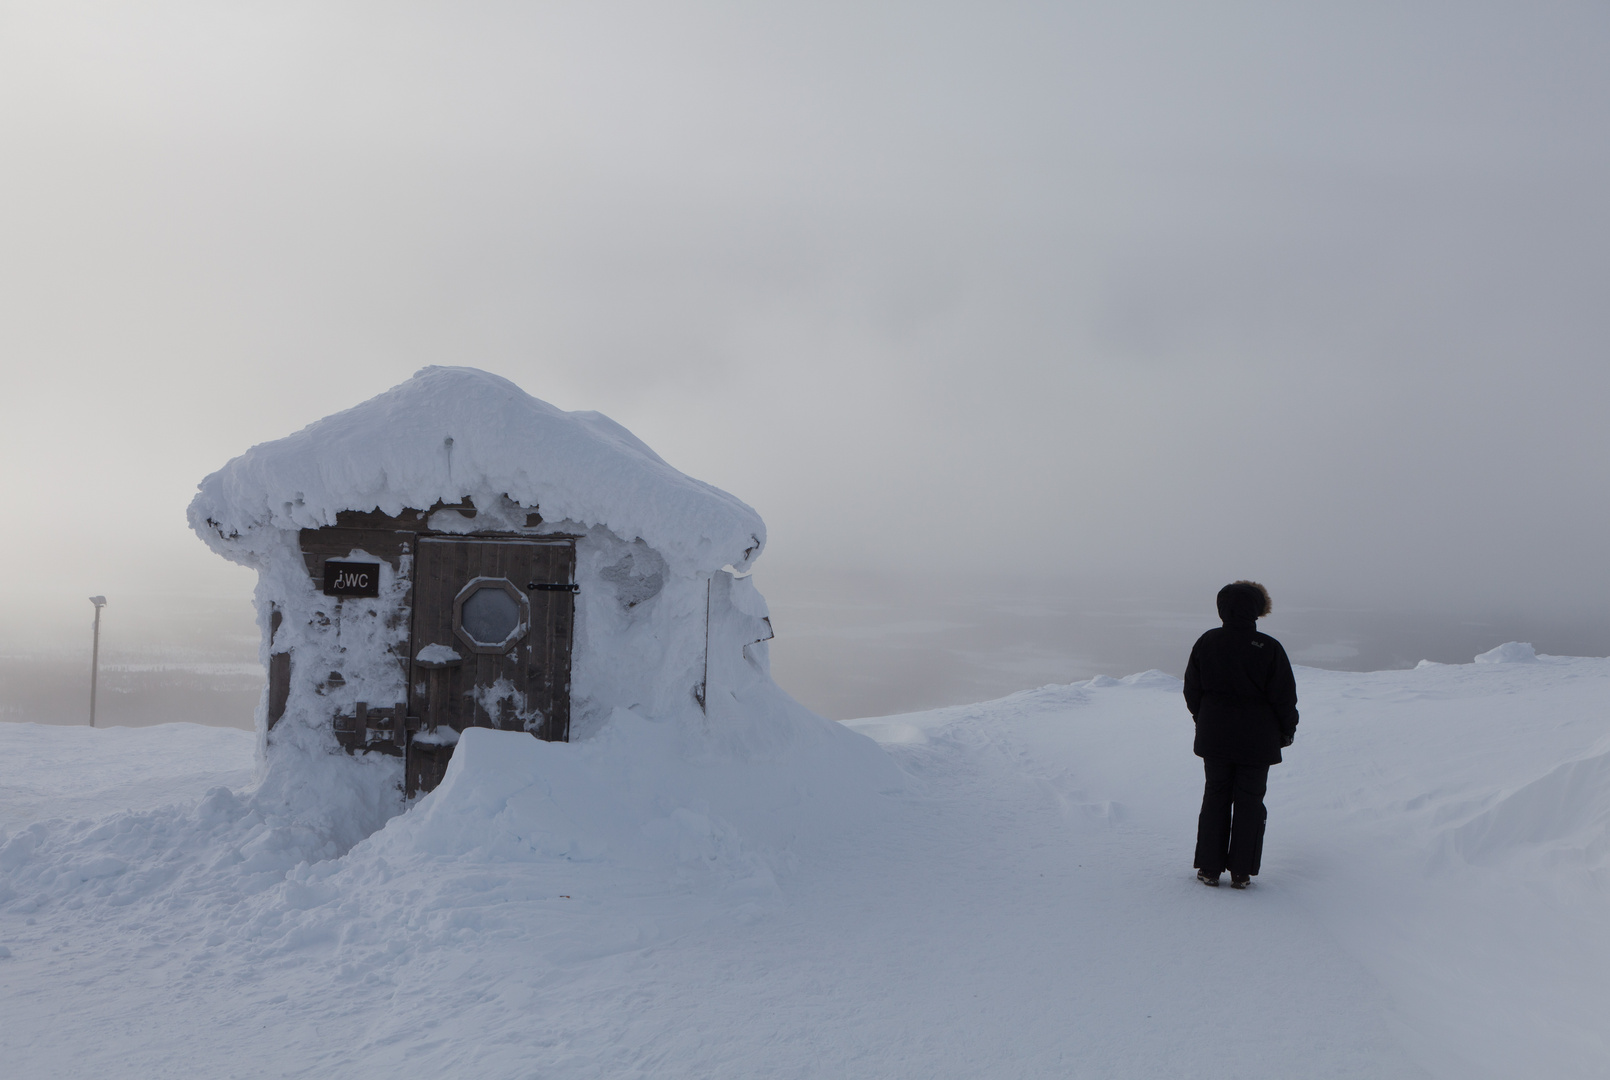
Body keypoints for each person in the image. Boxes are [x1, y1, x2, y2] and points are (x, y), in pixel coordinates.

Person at [1183, 581, 1298, 889]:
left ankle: (1209, 868)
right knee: (1249, 801)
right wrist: (1287, 730)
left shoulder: (1207, 642)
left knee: (1216, 796)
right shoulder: (1269, 648)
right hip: (1257, 740)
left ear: (1222, 608)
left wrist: (1203, 718)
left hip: (1214, 736)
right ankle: (1241, 872)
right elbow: (1284, 698)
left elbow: (1192, 690)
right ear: (1257, 610)